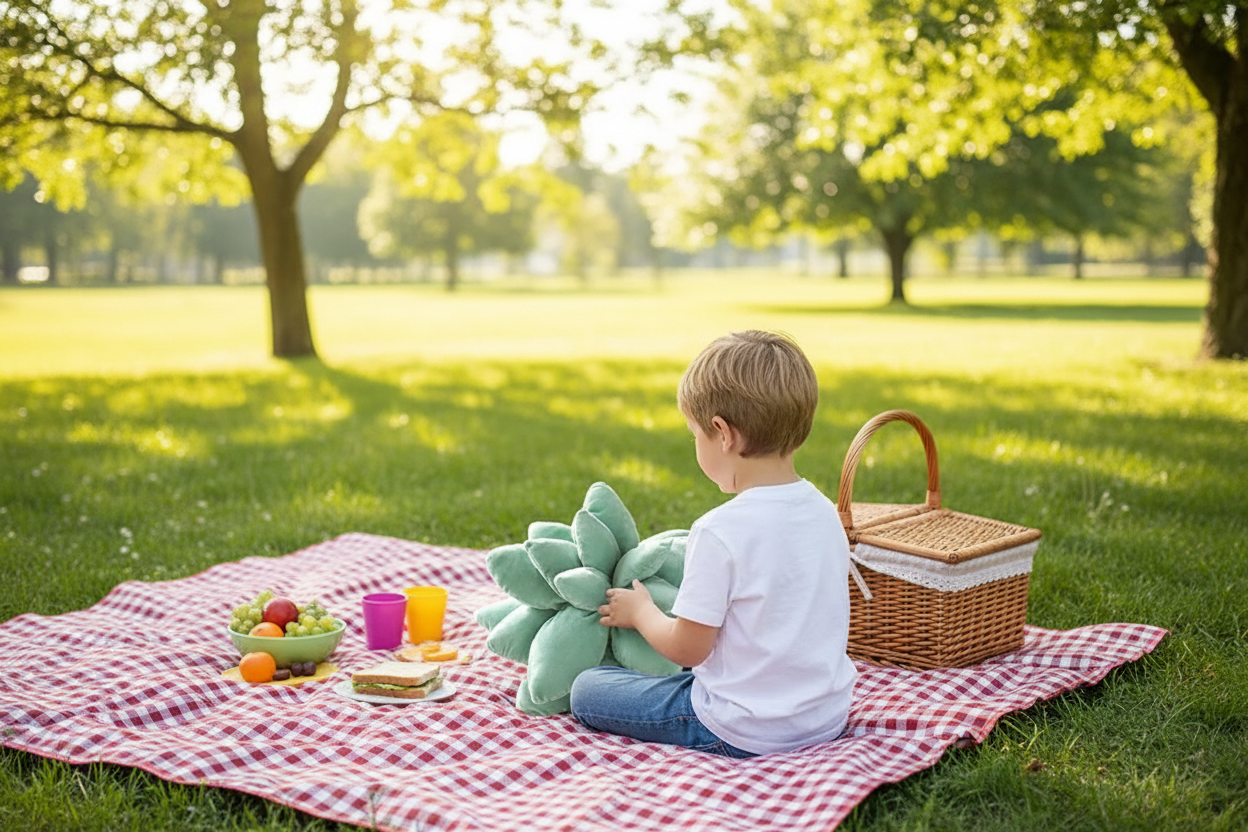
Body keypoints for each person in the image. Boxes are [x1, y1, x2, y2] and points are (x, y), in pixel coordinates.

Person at [569, 330, 857, 758]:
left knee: (587, 689)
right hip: (823, 718)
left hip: (740, 728)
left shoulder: (719, 530)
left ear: (723, 434)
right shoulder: (823, 511)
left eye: (694, 434)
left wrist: (643, 613)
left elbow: (689, 649)